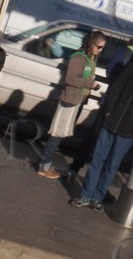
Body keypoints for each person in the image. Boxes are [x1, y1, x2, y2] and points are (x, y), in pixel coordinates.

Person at [72, 39, 133, 208]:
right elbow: (116, 88)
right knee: (97, 160)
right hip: (111, 122)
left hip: (127, 129)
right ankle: (85, 194)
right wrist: (109, 112)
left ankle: (97, 198)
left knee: (112, 166)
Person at [37, 30, 105, 178]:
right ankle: (44, 165)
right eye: (99, 47)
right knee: (57, 134)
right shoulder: (79, 58)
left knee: (61, 134)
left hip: (76, 100)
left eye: (102, 48)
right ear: (91, 44)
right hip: (69, 99)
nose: (100, 50)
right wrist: (89, 84)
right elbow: (70, 79)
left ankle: (45, 163)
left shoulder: (89, 58)